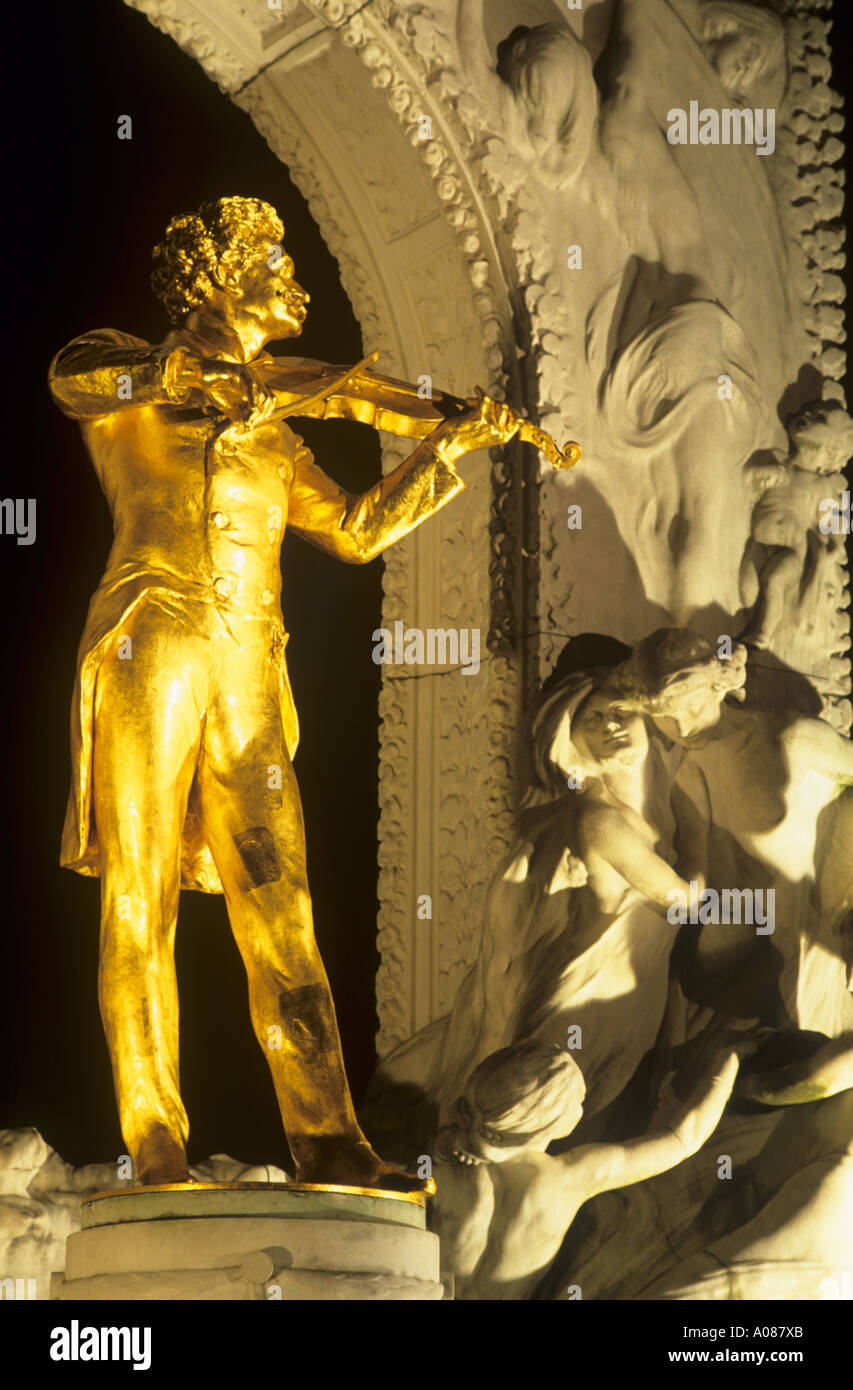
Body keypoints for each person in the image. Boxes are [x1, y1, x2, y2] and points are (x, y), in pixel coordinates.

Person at [48, 195, 521, 1189]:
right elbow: (71, 377)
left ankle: (330, 1138)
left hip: (251, 662)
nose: (296, 280)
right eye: (273, 260)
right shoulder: (129, 370)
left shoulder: (275, 428)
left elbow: (351, 531)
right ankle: (155, 1139)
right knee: (139, 901)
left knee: (281, 906)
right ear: (214, 280)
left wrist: (444, 448)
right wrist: (179, 373)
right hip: (149, 636)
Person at [432, 1034, 747, 1300]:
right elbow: (683, 1138)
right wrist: (730, 1059)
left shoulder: (449, 1156)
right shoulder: (570, 1177)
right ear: (561, 1122)